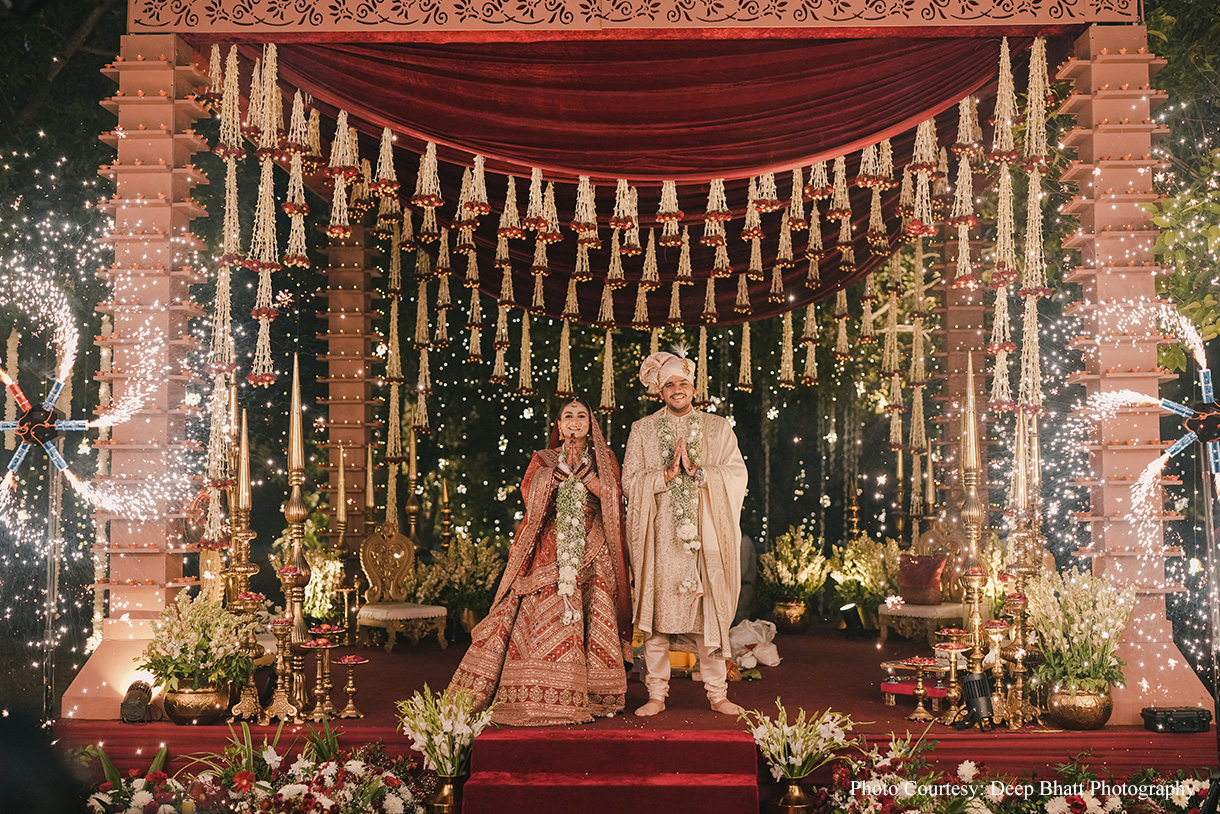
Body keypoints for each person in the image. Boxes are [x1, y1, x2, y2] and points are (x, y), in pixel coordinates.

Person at [449, 397, 634, 725]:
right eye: (568, 416)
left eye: (581, 416)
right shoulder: (544, 457)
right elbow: (529, 492)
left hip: (593, 545)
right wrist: (555, 477)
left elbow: (616, 495)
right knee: (539, 606)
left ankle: (594, 692)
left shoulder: (604, 458)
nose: (575, 421)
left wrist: (587, 479)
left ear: (591, 423)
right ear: (559, 425)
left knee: (595, 605)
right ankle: (532, 689)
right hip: (551, 542)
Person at [622, 348, 748, 716]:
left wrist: (700, 472)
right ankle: (656, 695)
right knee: (659, 620)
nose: (677, 390)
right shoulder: (642, 430)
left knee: (705, 615)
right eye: (669, 385)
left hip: (705, 539)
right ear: (660, 392)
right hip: (661, 539)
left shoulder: (718, 427)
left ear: (693, 388)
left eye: (683, 383)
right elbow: (629, 482)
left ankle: (717, 694)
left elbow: (737, 474)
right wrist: (664, 476)